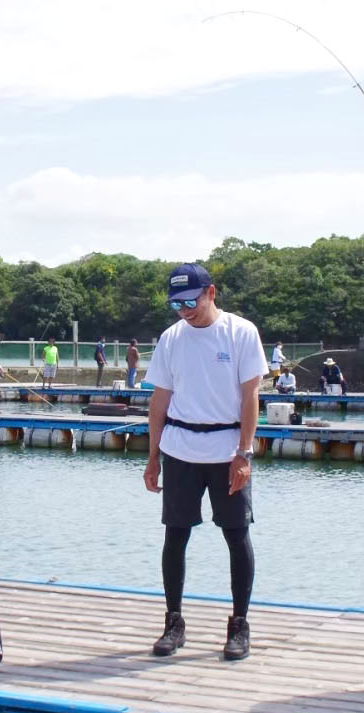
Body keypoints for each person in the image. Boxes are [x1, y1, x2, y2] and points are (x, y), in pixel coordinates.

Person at [144, 263, 268, 661]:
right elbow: (159, 401)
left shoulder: (241, 332)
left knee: (236, 534)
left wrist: (244, 453)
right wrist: (153, 458)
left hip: (227, 447)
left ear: (211, 293)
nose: (184, 311)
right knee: (175, 535)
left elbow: (250, 397)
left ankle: (239, 624)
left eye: (190, 302)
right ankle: (174, 622)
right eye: (176, 304)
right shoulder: (171, 338)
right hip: (180, 447)